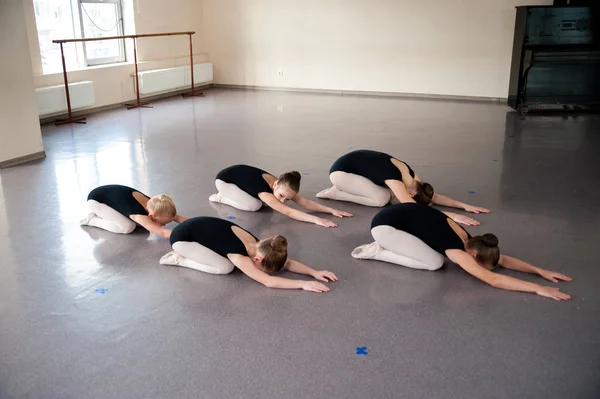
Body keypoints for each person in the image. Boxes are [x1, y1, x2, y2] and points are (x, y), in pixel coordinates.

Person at [351, 203, 572, 301]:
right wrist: (537, 289)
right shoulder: (458, 251)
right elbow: (492, 280)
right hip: (384, 227)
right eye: (478, 264)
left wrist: (539, 271)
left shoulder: (471, 239)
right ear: (473, 256)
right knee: (434, 263)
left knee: (436, 257)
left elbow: (502, 260)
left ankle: (392, 244)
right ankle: (378, 250)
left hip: (401, 217)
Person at [160, 216, 338, 293]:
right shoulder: (239, 256)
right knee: (225, 268)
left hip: (197, 227)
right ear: (257, 260)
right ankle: (179, 259)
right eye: (263, 268)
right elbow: (267, 281)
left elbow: (287, 262)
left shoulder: (262, 244)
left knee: (226, 262)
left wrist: (313, 272)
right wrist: (302, 284)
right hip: (182, 239)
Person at [316, 149, 489, 226]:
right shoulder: (395, 178)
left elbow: (432, 196)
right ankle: (335, 192)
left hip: (356, 168)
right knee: (382, 199)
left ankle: (344, 188)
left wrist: (463, 205)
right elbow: (411, 206)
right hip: (340, 173)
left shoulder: (413, 178)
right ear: (412, 192)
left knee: (388, 195)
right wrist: (450, 216)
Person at [209, 164, 352, 227]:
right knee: (254, 205)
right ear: (275, 184)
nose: (283, 201)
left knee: (259, 202)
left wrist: (331, 210)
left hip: (240, 178)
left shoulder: (283, 185)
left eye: (287, 199)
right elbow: (288, 211)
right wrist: (316, 220)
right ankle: (221, 197)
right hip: (224, 180)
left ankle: (238, 193)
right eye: (282, 196)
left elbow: (304, 202)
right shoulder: (267, 193)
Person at [80, 184, 188, 238]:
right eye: (163, 223)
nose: (164, 225)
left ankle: (106, 213)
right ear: (151, 216)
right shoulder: (139, 215)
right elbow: (162, 232)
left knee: (139, 225)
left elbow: (178, 217)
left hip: (111, 197)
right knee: (128, 227)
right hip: (96, 201)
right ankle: (92, 220)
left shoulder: (157, 205)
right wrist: (188, 236)